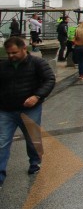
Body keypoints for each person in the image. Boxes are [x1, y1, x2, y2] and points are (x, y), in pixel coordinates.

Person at [0, 37, 55, 187]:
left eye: (14, 52)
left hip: (30, 109)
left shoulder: (37, 63)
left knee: (32, 139)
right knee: (2, 142)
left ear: (24, 48)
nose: (11, 56)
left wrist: (37, 96)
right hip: (6, 110)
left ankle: (35, 162)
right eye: (8, 53)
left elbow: (50, 80)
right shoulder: (4, 66)